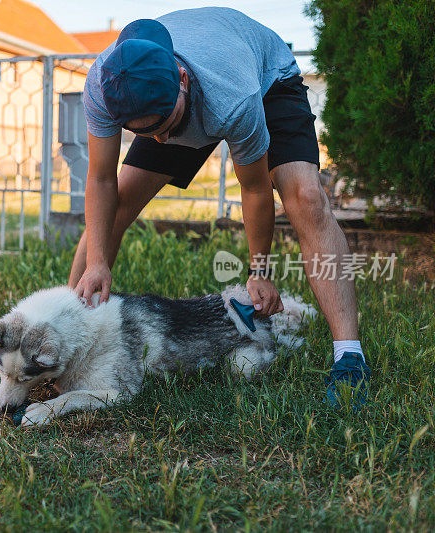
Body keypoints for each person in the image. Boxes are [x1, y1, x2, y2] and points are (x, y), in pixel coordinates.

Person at [68, 8, 370, 409]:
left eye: (165, 127)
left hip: (266, 79)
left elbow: (255, 188)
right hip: (171, 96)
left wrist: (258, 271)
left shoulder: (234, 97)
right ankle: (67, 331)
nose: (159, 141)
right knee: (116, 205)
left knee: (307, 197)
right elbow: (101, 182)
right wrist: (97, 262)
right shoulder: (105, 85)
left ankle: (349, 356)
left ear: (182, 79)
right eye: (143, 133)